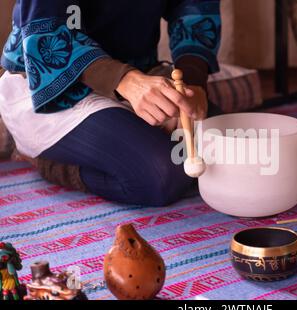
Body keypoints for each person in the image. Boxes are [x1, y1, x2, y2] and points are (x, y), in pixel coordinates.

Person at [0, 0, 221, 206]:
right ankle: (49, 164)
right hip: (52, 83)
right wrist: (125, 80)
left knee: (223, 147)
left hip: (141, 76)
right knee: (162, 173)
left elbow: (193, 6)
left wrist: (192, 84)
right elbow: (46, 29)